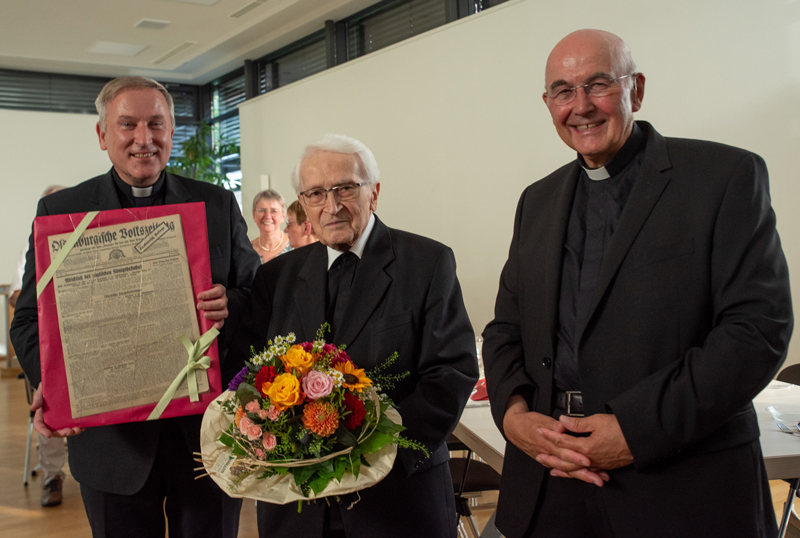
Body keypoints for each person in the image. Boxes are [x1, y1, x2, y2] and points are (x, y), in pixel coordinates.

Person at [482, 29, 793, 538]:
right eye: (563, 91)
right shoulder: (535, 201)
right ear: (548, 103)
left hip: (679, 482)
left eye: (598, 84)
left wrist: (635, 431)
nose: (581, 106)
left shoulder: (723, 176)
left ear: (636, 89)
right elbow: (505, 329)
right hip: (551, 477)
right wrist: (514, 414)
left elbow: (757, 330)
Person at [10, 76, 260, 538]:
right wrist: (53, 384)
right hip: (110, 450)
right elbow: (28, 319)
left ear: (171, 132)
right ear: (104, 135)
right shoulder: (60, 211)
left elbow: (258, 299)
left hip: (207, 442)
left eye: (156, 124)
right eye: (128, 125)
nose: (143, 139)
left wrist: (232, 305)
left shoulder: (217, 204)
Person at [228, 133, 478, 538]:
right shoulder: (276, 278)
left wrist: (368, 453)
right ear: (303, 203)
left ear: (374, 193)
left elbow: (452, 373)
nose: (332, 206)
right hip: (297, 508)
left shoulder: (428, 263)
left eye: (345, 188)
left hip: (397, 502)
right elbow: (248, 374)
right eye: (315, 193)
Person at [10, 185, 68, 507]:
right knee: (52, 409)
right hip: (46, 348)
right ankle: (52, 476)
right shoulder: (31, 247)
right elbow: (17, 296)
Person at [250, 189, 291, 263]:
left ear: (283, 216)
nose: (268, 216)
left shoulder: (294, 245)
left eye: (274, 211)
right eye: (262, 210)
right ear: (253, 215)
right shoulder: (247, 249)